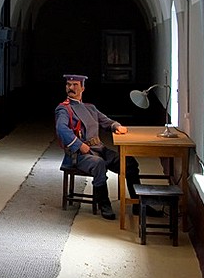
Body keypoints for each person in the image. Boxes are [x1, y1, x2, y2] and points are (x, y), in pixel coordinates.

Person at [54, 74, 146, 220]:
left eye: (75, 85)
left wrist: (116, 126)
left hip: (99, 149)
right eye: (68, 85)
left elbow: (106, 121)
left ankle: (138, 204)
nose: (71, 88)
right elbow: (61, 129)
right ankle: (104, 204)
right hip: (79, 154)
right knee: (99, 164)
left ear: (82, 88)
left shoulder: (90, 108)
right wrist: (79, 145)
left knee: (129, 163)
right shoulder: (64, 109)